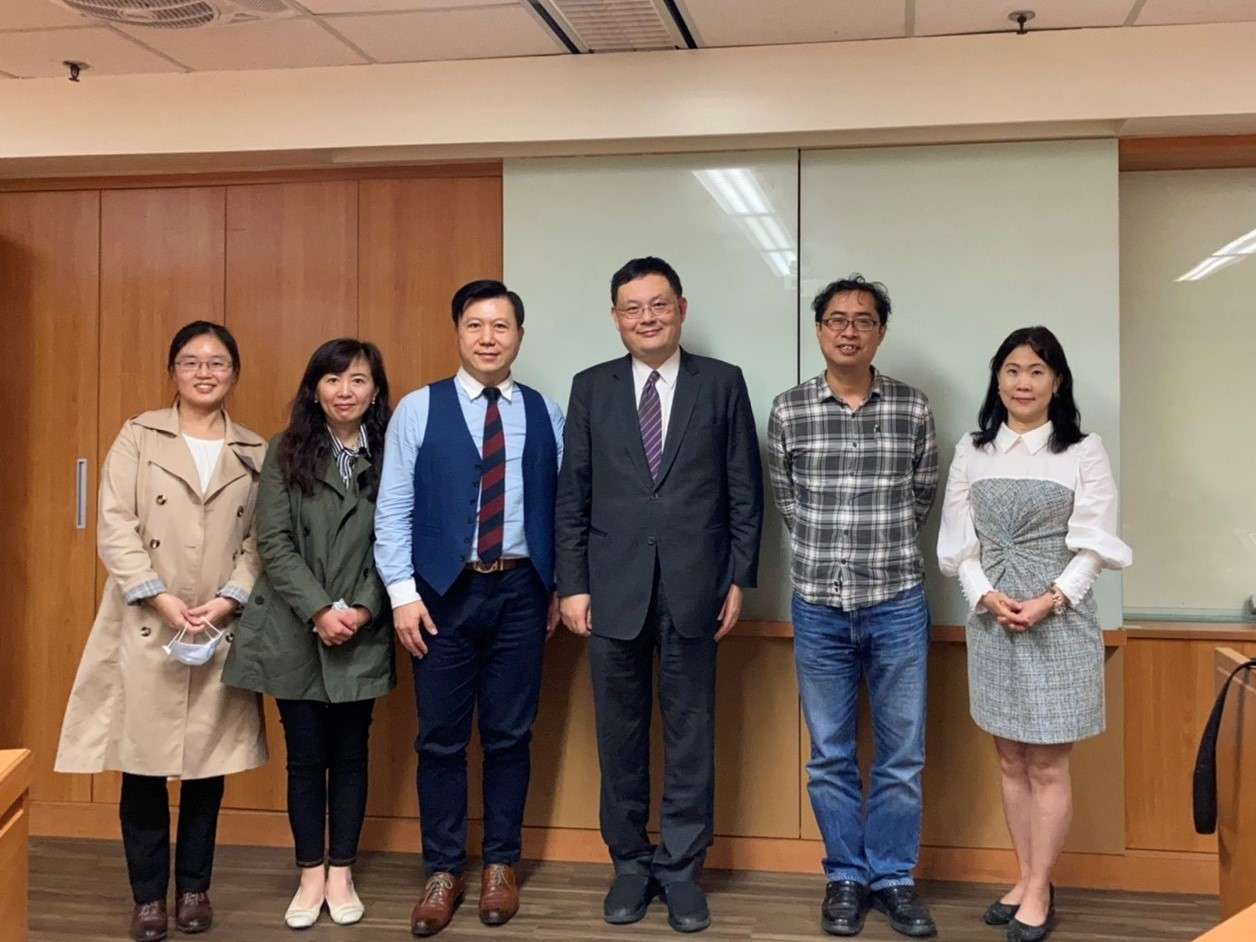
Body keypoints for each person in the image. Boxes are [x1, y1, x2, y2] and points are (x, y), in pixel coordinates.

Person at [556, 256, 764, 934]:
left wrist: (738, 577)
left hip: (696, 587)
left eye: (658, 304)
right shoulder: (591, 387)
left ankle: (680, 870)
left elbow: (744, 488)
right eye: (632, 308)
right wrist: (572, 585)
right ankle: (629, 864)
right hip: (610, 589)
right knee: (618, 735)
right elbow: (572, 495)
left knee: (690, 734)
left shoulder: (722, 383)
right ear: (616, 317)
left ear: (681, 308)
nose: (646, 318)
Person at [55, 321, 267, 942]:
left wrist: (230, 598)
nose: (205, 372)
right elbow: (115, 522)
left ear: (234, 373)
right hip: (147, 619)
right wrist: (158, 595)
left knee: (207, 765)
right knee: (142, 765)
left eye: (218, 362)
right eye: (191, 361)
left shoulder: (254, 450)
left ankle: (195, 889)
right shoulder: (139, 435)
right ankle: (148, 898)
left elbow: (261, 540)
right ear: (172, 371)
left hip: (219, 623)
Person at [374, 279, 564, 937]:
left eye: (501, 326)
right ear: (457, 332)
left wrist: (557, 587)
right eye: (476, 325)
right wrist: (402, 595)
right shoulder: (418, 409)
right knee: (440, 739)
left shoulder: (545, 412)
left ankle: (501, 865)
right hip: (441, 595)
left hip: (521, 592)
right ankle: (442, 869)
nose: (488, 338)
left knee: (511, 736)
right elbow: (393, 509)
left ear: (519, 336)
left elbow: (561, 509)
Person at [937, 326, 1131, 942]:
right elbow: (958, 542)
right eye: (1013, 370)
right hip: (992, 618)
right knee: (1010, 758)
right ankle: (1024, 877)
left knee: (1048, 763)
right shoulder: (973, 449)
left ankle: (1041, 887)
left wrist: (1050, 600)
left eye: (1037, 371)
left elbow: (1095, 543)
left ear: (1057, 382)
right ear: (998, 379)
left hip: (1060, 619)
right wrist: (985, 596)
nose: (1024, 382)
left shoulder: (1083, 450)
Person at [767, 275, 938, 939]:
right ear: (819, 330)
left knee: (902, 755)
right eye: (836, 319)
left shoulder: (912, 408)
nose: (848, 330)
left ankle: (892, 878)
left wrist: (877, 551)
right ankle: (844, 875)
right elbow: (787, 499)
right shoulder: (789, 411)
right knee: (830, 754)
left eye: (863, 320)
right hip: (818, 605)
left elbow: (922, 495)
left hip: (896, 602)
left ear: (880, 332)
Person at [221, 338, 395, 929]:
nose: (345, 391)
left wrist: (364, 609)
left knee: (350, 754)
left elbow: (398, 537)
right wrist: (320, 609)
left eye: (358, 380)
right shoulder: (286, 449)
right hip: (295, 627)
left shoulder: (392, 452)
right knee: (304, 757)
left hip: (363, 629)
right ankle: (310, 873)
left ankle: (341, 870)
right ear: (314, 389)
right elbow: (272, 541)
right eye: (333, 379)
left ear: (375, 390)